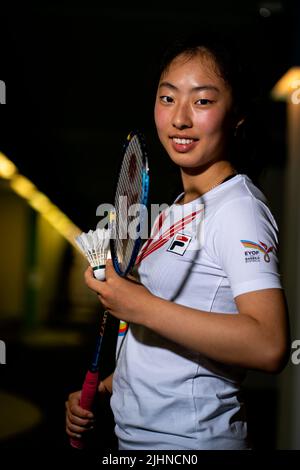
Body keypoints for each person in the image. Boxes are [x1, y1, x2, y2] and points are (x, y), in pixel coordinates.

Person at [66, 34, 290, 450]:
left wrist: (139, 305)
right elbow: (169, 336)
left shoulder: (237, 209)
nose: (180, 119)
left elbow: (270, 344)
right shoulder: (175, 210)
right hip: (136, 439)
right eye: (167, 98)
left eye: (202, 101)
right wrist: (113, 387)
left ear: (236, 115)